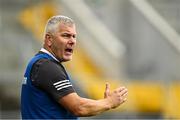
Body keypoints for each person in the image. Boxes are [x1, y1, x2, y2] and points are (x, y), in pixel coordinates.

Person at [21, 15, 128, 119]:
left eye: (74, 36)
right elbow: (78, 107)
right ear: (49, 39)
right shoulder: (47, 67)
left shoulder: (40, 63)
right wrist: (109, 102)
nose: (72, 41)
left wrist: (104, 103)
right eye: (66, 35)